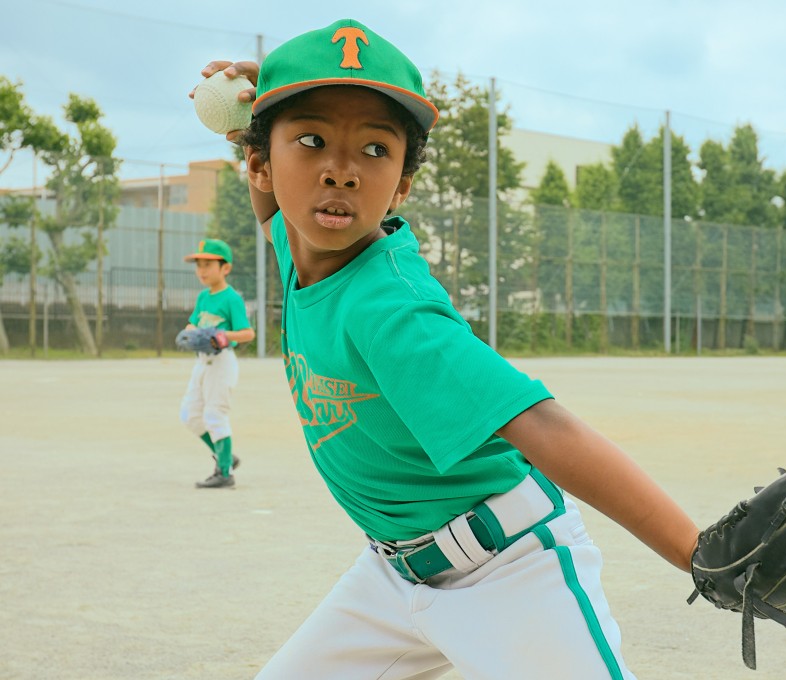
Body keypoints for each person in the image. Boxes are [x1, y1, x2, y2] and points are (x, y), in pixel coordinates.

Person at [199, 19, 699, 678]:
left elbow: (543, 427)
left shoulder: (392, 309)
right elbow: (270, 210)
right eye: (311, 140)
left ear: (402, 184)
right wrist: (253, 122)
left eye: (375, 149)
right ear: (261, 165)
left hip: (508, 571)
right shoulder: (300, 251)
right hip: (390, 576)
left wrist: (698, 552)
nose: (341, 172)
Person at [178, 238, 255, 489]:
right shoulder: (203, 297)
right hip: (202, 363)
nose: (202, 270)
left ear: (225, 268)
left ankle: (224, 473)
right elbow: (193, 323)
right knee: (190, 415)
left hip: (222, 362)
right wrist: (190, 333)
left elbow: (247, 333)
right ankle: (226, 456)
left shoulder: (231, 298)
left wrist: (221, 336)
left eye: (208, 265)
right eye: (199, 265)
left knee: (214, 415)